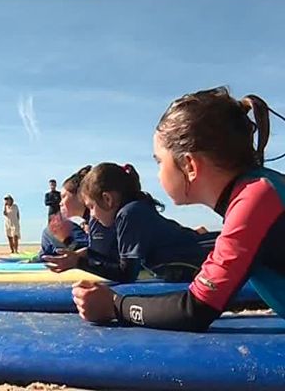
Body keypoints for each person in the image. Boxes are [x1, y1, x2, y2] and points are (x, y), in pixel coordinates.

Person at [72, 86, 285, 331]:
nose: (158, 172)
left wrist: (115, 305)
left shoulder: (256, 199)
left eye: (160, 161)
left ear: (189, 166)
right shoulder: (263, 188)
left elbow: (195, 309)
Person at [45, 162, 217, 283]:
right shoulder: (129, 213)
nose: (93, 216)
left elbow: (127, 273)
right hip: (201, 257)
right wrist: (78, 256)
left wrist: (78, 262)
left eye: (91, 207)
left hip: (210, 252)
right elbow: (109, 256)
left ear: (107, 199)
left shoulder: (130, 214)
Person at [36, 167, 119, 263]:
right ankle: (41, 256)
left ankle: (41, 257)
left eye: (64, 197)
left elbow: (98, 255)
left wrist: (67, 240)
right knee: (50, 233)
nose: (60, 203)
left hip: (105, 258)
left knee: (50, 231)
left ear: (80, 196)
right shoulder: (91, 219)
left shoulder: (99, 216)